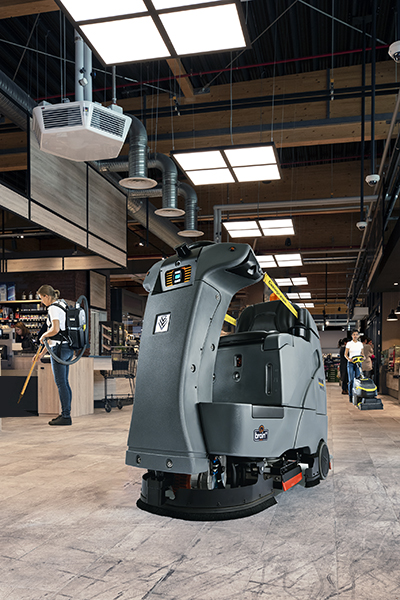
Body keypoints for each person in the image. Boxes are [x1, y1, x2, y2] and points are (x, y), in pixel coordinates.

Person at [37, 285, 74, 426]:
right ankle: (66, 413)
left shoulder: (52, 308)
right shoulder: (62, 304)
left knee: (61, 383)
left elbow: (55, 330)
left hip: (59, 350)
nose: (42, 302)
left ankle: (66, 416)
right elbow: (58, 335)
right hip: (67, 348)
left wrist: (44, 335)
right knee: (64, 382)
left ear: (46, 296)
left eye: (41, 298)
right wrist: (41, 354)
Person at [345, 330, 365, 403]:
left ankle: (357, 396)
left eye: (356, 334)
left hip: (358, 363)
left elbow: (362, 353)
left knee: (358, 380)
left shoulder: (360, 344)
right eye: (354, 334)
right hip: (351, 363)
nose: (355, 336)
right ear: (352, 336)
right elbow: (345, 354)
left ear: (358, 336)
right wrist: (349, 359)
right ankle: (350, 396)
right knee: (351, 380)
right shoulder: (349, 344)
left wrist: (363, 357)